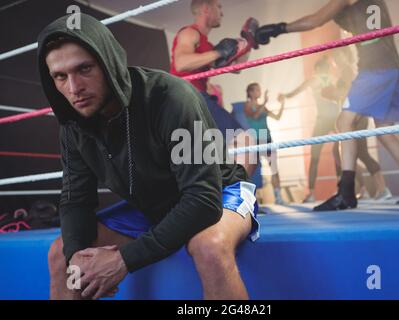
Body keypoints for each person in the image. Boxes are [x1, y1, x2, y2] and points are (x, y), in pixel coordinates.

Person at [39, 13, 259, 300]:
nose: (73, 87)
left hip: (216, 192)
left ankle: (243, 159)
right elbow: (75, 199)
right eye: (60, 76)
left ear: (108, 63)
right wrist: (77, 256)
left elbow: (202, 201)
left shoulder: (171, 97)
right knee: (61, 256)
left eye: (84, 69)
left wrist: (123, 260)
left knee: (210, 246)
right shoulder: (73, 122)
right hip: (153, 206)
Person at [256, 0, 399, 211]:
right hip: (393, 66)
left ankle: (346, 193)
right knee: (385, 131)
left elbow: (315, 20)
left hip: (374, 69)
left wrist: (278, 29)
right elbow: (359, 23)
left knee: (344, 121)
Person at [170, 0, 259, 176]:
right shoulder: (190, 33)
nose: (222, 12)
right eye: (219, 7)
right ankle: (234, 201)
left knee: (208, 161)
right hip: (188, 98)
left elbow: (237, 69)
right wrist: (219, 52)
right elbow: (181, 63)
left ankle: (222, 199)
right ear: (206, 9)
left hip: (192, 102)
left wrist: (248, 43)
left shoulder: (207, 47)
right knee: (246, 144)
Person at [279, 56, 342, 203]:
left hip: (324, 120)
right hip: (336, 118)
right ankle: (342, 188)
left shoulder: (315, 79)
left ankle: (312, 192)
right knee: (340, 154)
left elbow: (295, 92)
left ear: (318, 70)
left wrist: (284, 96)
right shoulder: (334, 78)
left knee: (315, 156)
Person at [245, 83, 286, 205]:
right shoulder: (247, 105)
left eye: (259, 90)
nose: (259, 92)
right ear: (251, 92)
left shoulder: (262, 107)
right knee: (251, 171)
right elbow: (255, 116)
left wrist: (283, 103)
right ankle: (250, 199)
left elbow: (277, 117)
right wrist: (264, 102)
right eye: (257, 90)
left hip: (267, 139)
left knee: (274, 168)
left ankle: (278, 197)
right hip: (255, 141)